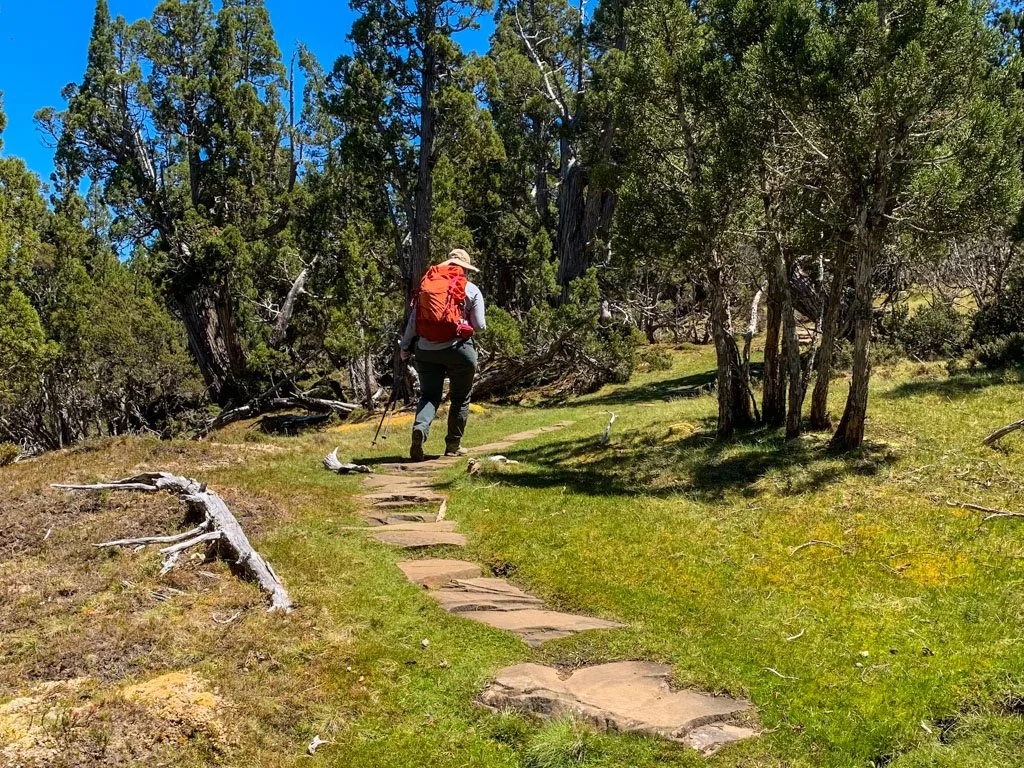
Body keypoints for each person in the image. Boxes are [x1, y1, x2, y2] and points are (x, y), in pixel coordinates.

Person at [400, 248, 487, 461]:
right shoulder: (471, 289)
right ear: (464, 268)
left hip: (426, 351)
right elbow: (481, 326)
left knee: (429, 395)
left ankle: (420, 428)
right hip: (459, 350)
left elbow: (413, 322)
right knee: (460, 397)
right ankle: (453, 445)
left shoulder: (425, 287)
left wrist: (404, 347)